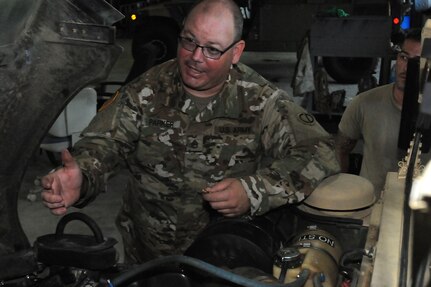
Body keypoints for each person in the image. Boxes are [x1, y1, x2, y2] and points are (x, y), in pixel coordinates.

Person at [41, 0, 340, 263]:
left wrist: (254, 191)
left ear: (236, 52)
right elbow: (106, 143)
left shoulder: (260, 100)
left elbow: (321, 153)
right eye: (188, 41)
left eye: (212, 49)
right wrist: (83, 175)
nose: (196, 57)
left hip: (223, 259)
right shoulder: (147, 89)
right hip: (147, 258)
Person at [335, 28, 422, 197]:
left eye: (417, 62)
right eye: (404, 57)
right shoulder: (364, 103)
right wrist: (343, 196)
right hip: (371, 206)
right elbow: (340, 149)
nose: (406, 67)